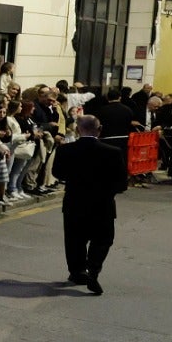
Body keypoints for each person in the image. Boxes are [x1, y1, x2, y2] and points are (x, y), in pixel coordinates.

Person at [51, 114, 128, 295]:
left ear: (78, 130)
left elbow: (57, 173)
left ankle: (78, 271)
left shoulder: (65, 150)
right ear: (99, 130)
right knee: (103, 239)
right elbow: (122, 183)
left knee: (74, 239)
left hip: (74, 202)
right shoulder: (113, 152)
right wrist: (108, 192)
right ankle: (94, 269)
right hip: (103, 204)